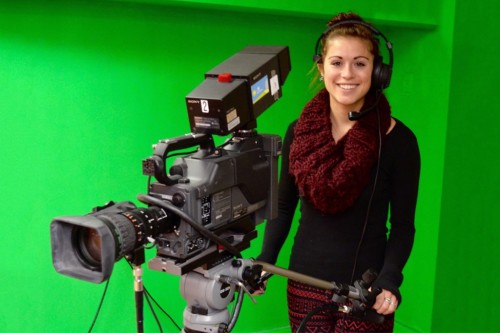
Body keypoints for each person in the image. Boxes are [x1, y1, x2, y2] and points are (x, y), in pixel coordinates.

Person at [256, 11, 420, 333]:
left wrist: (389, 281)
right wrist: (266, 258)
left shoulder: (399, 141)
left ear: (378, 71)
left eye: (360, 63)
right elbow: (284, 206)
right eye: (337, 62)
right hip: (304, 283)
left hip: (365, 292)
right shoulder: (298, 133)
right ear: (321, 68)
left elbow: (402, 226)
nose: (348, 74)